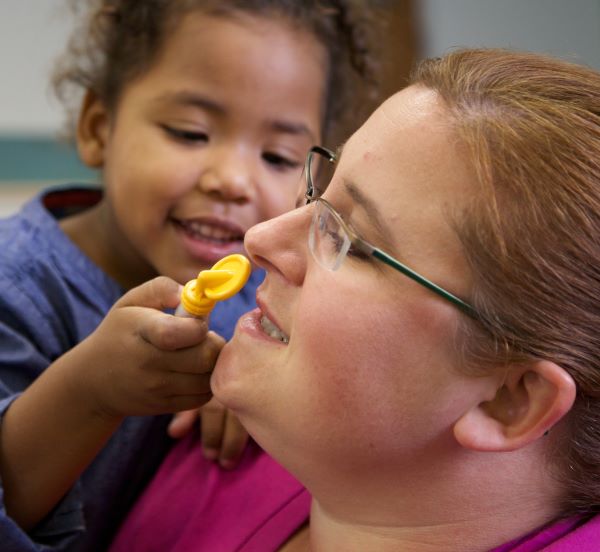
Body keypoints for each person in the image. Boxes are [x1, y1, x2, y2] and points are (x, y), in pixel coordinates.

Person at [110, 48, 600, 551]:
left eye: (354, 243)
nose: (258, 239)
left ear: (511, 400)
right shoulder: (226, 434)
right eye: (319, 193)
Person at [0, 1, 378, 550]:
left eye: (276, 157)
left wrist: (251, 379)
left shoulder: (267, 290)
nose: (233, 181)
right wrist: (91, 393)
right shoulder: (17, 284)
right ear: (98, 128)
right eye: (191, 133)